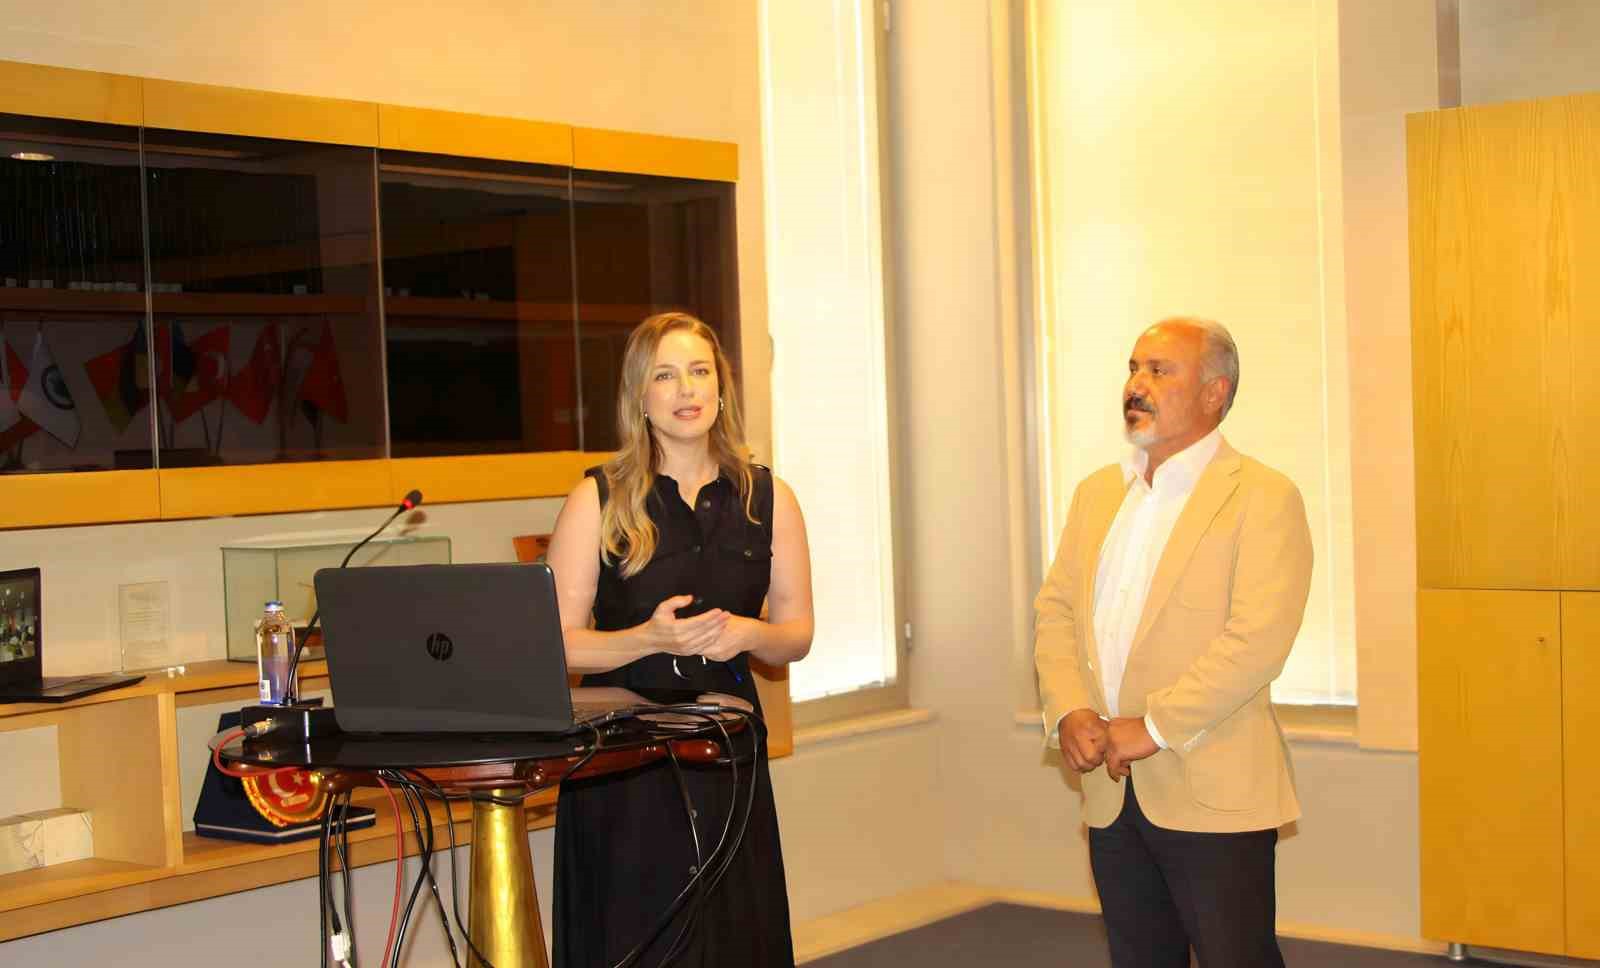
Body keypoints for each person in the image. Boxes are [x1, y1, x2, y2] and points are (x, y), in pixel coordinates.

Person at [1033, 317, 1313, 968]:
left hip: (1214, 791)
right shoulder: (1097, 493)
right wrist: (1070, 708)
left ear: (1215, 392)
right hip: (1111, 794)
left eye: (1160, 370)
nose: (1137, 384)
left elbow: (1258, 640)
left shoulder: (1264, 497)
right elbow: (1056, 610)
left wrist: (1153, 726)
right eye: (1134, 367)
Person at [545, 311, 814, 968]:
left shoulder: (769, 497)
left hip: (725, 752)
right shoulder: (597, 498)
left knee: (732, 941)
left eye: (700, 371)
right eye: (665, 375)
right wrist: (647, 638)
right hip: (623, 764)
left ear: (721, 387)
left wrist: (750, 633)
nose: (687, 389)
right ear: (640, 394)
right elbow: (553, 645)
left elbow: (796, 636)